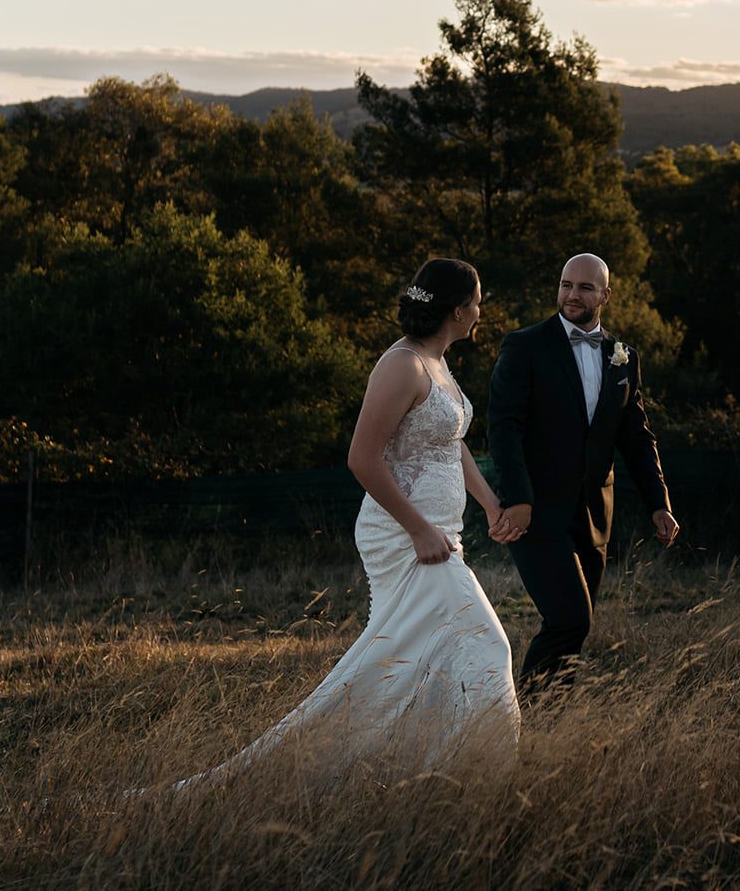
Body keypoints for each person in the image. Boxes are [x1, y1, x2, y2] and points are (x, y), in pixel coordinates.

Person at [158, 258, 521, 791]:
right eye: (476, 302)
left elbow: (450, 442)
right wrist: (418, 528)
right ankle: (469, 773)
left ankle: (426, 776)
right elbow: (362, 459)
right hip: (405, 536)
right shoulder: (401, 365)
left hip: (444, 536)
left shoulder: (437, 363)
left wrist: (489, 503)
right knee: (489, 647)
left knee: (424, 660)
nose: (480, 312)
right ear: (456, 309)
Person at [486, 253, 678, 687]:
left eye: (585, 287)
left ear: (605, 295)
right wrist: (516, 499)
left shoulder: (623, 357)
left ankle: (551, 724)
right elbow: (504, 428)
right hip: (536, 512)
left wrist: (658, 503)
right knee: (569, 617)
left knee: (577, 625)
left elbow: (637, 438)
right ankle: (528, 719)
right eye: (566, 284)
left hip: (594, 515)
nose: (572, 295)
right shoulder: (525, 346)